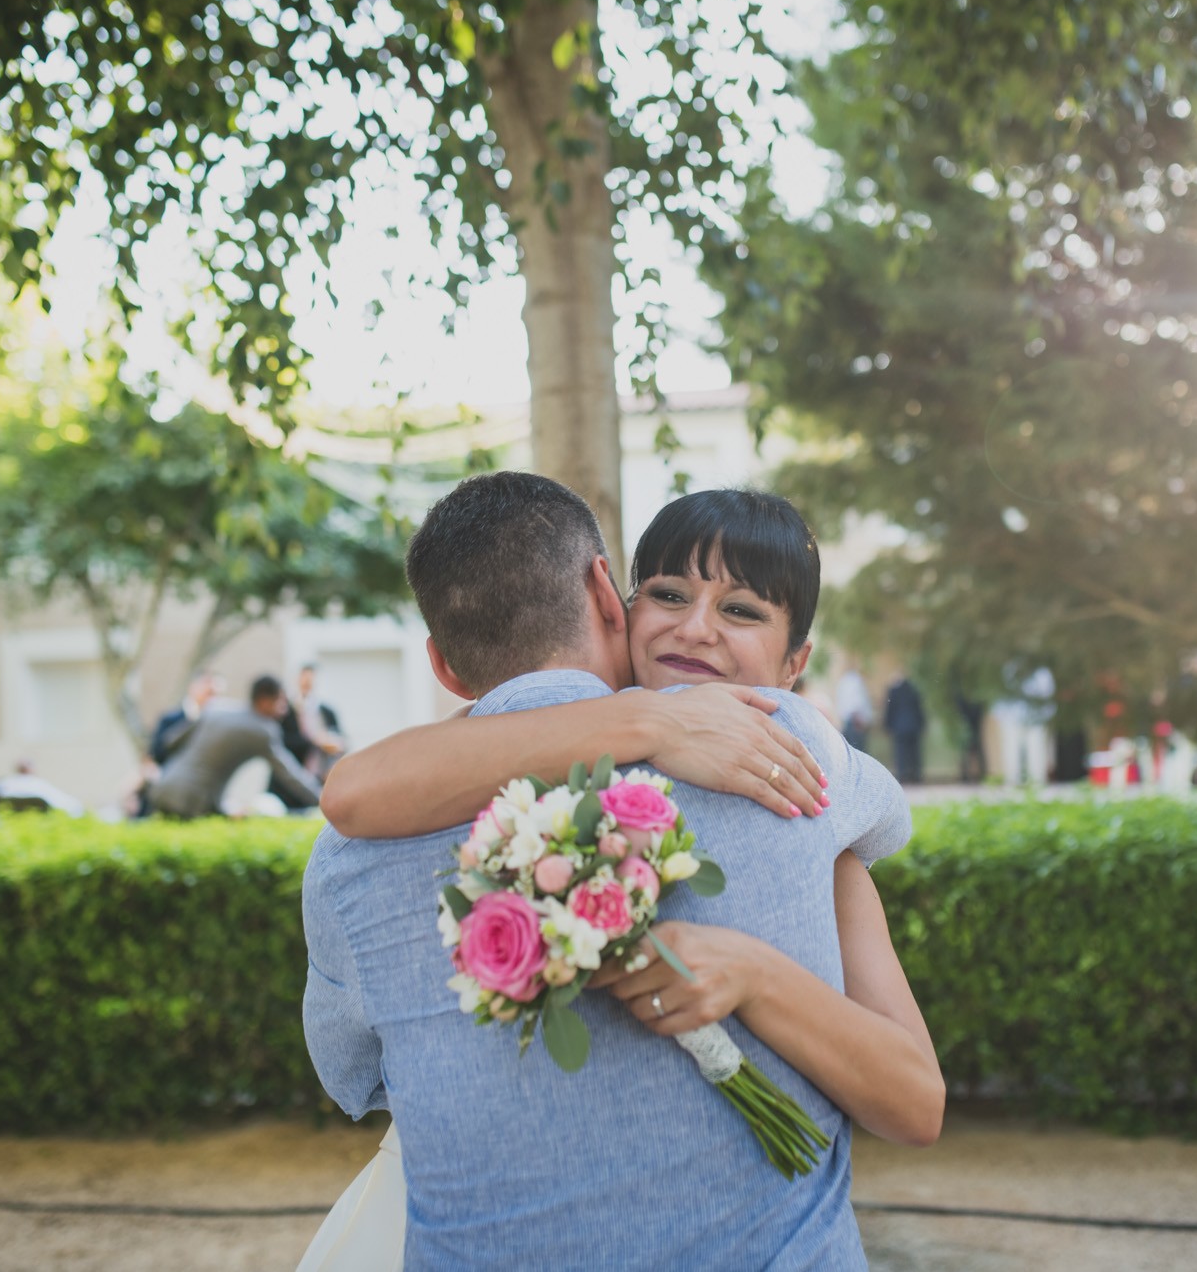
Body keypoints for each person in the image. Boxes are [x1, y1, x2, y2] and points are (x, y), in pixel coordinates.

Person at [300, 478, 941, 1270]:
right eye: (668, 593)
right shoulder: (808, 754)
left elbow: (357, 1080)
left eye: (742, 610)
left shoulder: (352, 849)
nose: (697, 628)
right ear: (615, 597)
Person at [149, 675, 323, 819]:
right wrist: (322, 799)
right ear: (264, 701)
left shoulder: (216, 709)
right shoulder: (263, 730)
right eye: (280, 702)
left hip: (164, 787)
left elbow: (170, 742)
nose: (284, 710)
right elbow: (290, 774)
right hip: (192, 802)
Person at [277, 662, 346, 791]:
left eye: (311, 679)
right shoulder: (286, 711)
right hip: (295, 772)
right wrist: (315, 741)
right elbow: (282, 741)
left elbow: (341, 740)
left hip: (321, 771)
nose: (307, 683)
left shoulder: (327, 711)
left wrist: (333, 743)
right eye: (304, 678)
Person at [148, 670, 220, 766]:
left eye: (215, 695)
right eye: (209, 693)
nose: (212, 699)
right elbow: (154, 754)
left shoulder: (209, 730)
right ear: (193, 687)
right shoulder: (169, 718)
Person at [884, 669, 927, 784]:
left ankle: (902, 776)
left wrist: (887, 725)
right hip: (914, 725)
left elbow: (890, 709)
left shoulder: (893, 690)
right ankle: (916, 776)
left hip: (899, 726)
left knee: (900, 753)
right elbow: (919, 708)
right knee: (915, 752)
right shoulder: (914, 689)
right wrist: (922, 724)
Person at [835, 664, 874, 751]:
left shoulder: (843, 681)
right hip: (855, 721)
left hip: (848, 720)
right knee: (858, 750)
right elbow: (857, 703)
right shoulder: (855, 681)